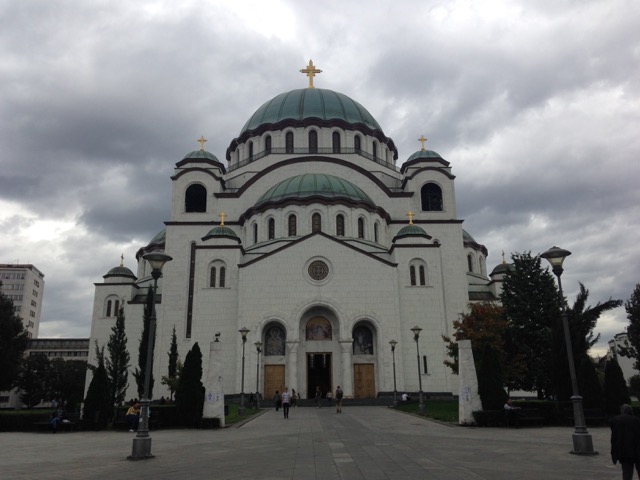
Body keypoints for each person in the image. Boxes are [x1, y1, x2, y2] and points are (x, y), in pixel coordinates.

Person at [611, 404, 640, 480]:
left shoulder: (615, 420)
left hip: (624, 451)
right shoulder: (636, 420)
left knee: (627, 473)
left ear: (622, 411)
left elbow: (614, 436)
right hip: (637, 450)